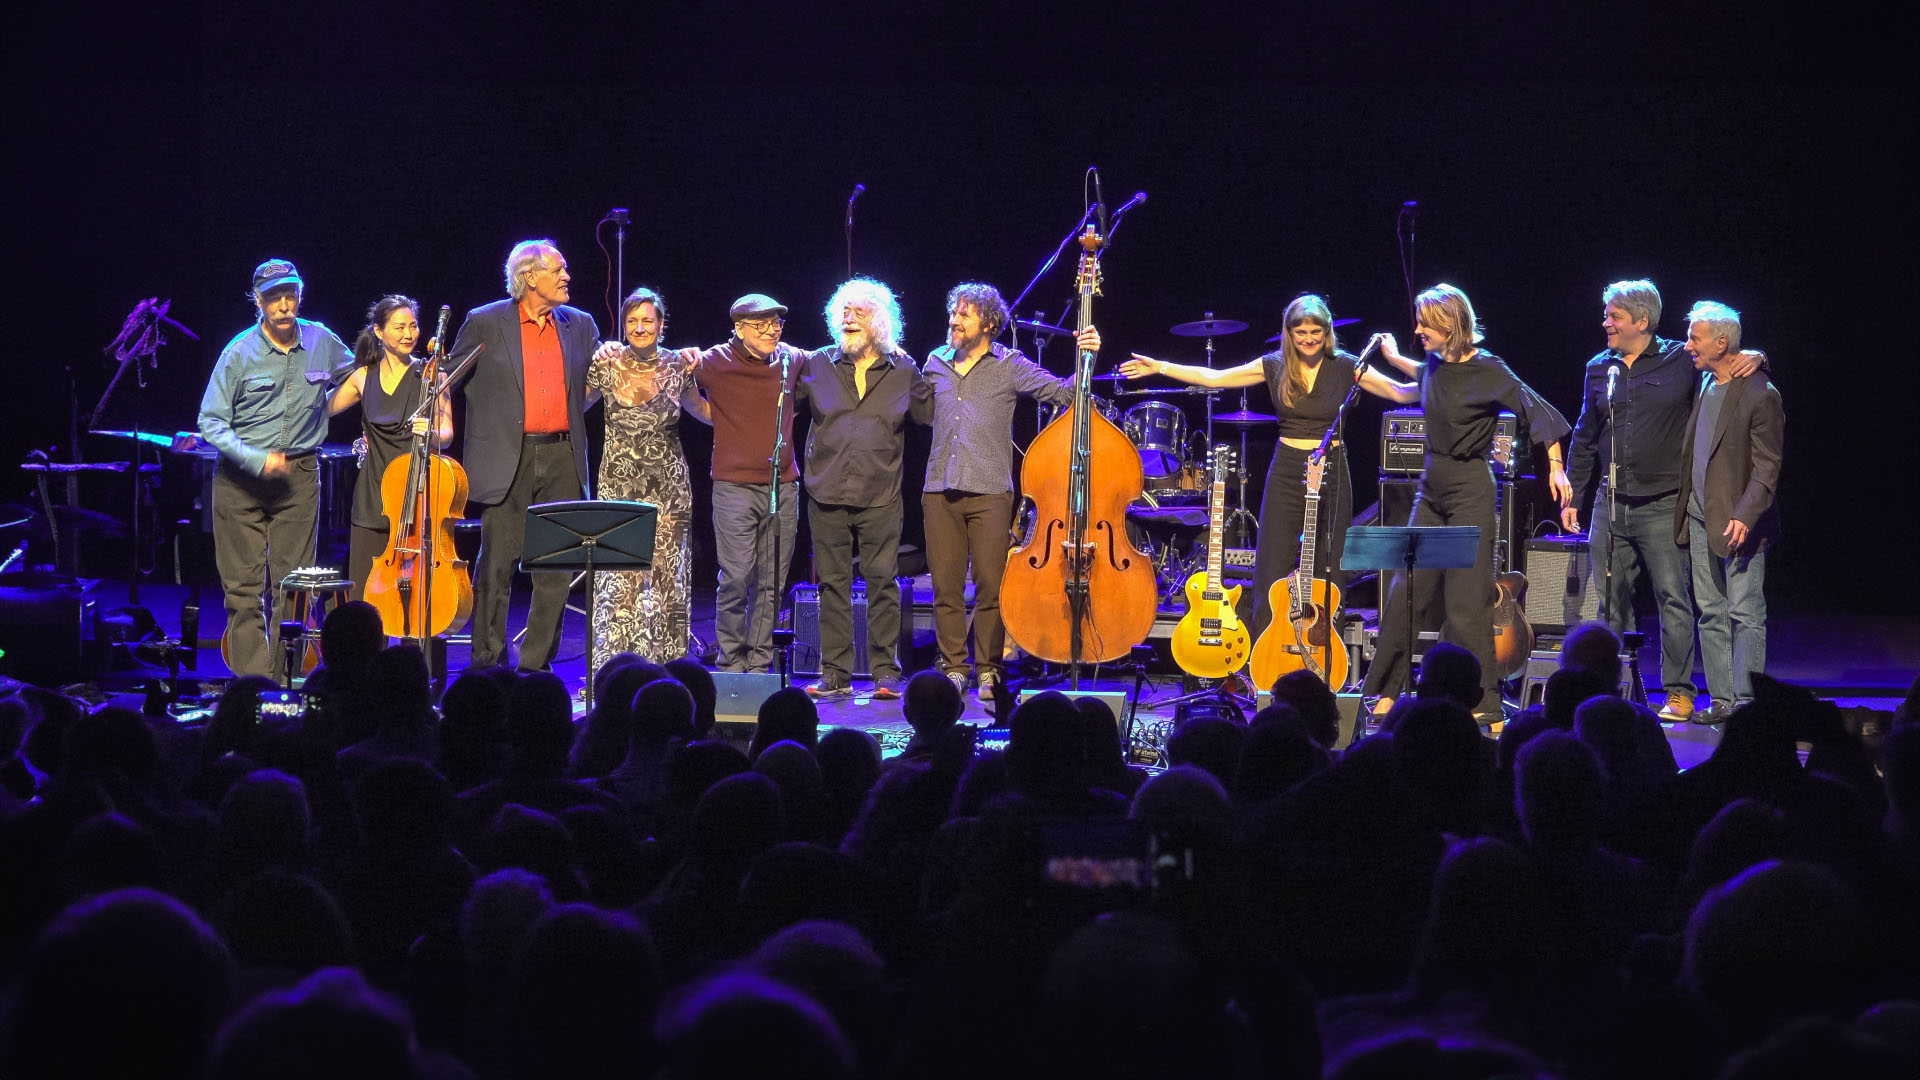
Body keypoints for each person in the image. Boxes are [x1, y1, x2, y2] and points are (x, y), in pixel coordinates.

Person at [1122, 293, 1417, 640]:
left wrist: (1440, 376)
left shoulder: (1346, 365)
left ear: (1327, 332)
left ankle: (1326, 651)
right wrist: (1161, 367)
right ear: (1288, 333)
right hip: (1288, 467)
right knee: (1271, 564)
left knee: (1331, 561)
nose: (1308, 339)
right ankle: (1266, 656)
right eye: (1300, 332)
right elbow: (1216, 377)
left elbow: (1399, 392)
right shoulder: (1274, 364)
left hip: (1333, 469)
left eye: (1316, 332)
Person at [1360, 284, 1572, 724]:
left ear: (1451, 325)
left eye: (1425, 324)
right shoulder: (1436, 364)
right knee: (1406, 592)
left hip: (1470, 489)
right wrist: (1392, 356)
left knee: (1465, 603)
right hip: (1430, 489)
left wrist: (1554, 466)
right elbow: (1420, 376)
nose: (1418, 329)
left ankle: (1484, 702)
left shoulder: (1490, 370)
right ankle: (1387, 691)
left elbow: (1537, 411)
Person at [1560, 280, 1762, 721]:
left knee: (1674, 598)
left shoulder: (1680, 359)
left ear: (1641, 321)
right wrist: (1574, 493)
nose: (1605, 323)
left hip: (1663, 502)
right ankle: (1605, 691)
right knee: (1609, 600)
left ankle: (1679, 692)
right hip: (1609, 503)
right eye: (1607, 315)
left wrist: (1758, 356)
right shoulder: (1600, 366)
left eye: (1613, 316)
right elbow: (1585, 434)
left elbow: (1725, 366)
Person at [921, 282, 1092, 701]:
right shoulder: (934, 363)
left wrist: (1087, 353)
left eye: (964, 314)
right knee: (945, 588)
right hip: (939, 489)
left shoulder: (1010, 364)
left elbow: (1066, 393)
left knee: (991, 587)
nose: (953, 320)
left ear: (990, 323)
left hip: (990, 492)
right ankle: (954, 668)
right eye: (953, 312)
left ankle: (988, 671)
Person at [448, 240, 600, 673]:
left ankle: (535, 668)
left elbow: (600, 380)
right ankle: (488, 663)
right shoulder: (485, 322)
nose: (568, 276)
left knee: (555, 569)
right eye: (560, 268)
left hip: (562, 458)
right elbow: (447, 382)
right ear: (531, 276)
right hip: (506, 460)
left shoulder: (581, 325)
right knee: (496, 565)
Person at [197, 259, 354, 679]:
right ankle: (253, 685)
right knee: (244, 590)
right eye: (273, 297)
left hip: (299, 478)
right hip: (239, 481)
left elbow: (360, 374)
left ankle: (287, 680)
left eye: (290, 295)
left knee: (295, 586)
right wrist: (255, 457)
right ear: (258, 301)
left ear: (300, 296)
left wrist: (325, 410)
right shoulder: (238, 352)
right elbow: (209, 421)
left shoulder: (321, 340)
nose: (284, 305)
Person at [795, 278, 932, 701]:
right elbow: (778, 402)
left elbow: (932, 414)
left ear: (880, 321)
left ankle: (885, 673)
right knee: (831, 585)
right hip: (825, 490)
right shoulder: (816, 363)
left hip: (881, 492)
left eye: (858, 311)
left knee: (882, 583)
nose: (848, 318)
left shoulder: (902, 369)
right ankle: (834, 672)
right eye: (844, 311)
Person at [678, 295, 805, 673]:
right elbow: (679, 374)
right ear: (739, 328)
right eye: (762, 325)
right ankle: (731, 660)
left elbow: (834, 358)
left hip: (782, 487)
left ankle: (760, 660)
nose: (772, 331)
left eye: (777, 324)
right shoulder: (714, 361)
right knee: (735, 577)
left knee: (771, 582)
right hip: (733, 487)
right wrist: (711, 414)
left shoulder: (791, 359)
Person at [587, 288, 708, 665]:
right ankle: (615, 665)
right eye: (632, 321)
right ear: (623, 325)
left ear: (661, 324)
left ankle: (664, 664)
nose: (640, 328)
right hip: (618, 485)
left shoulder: (678, 366)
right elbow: (573, 405)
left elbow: (704, 412)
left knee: (665, 577)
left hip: (669, 489)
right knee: (618, 577)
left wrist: (751, 413)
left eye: (647, 321)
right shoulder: (606, 364)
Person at [1674, 301, 1782, 724]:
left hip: (1741, 523)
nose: (1687, 347)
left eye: (1694, 339)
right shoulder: (1707, 382)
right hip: (1701, 515)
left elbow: (1768, 467)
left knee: (1745, 613)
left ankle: (1748, 706)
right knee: (1712, 612)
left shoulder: (1760, 393)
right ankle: (1721, 701)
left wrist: (1745, 515)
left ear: (1722, 343)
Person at [326, 294, 455, 604]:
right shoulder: (362, 377)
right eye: (399, 327)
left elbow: (448, 434)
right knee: (364, 595)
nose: (408, 334)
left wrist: (432, 433)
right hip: (373, 496)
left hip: (417, 498)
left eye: (413, 326)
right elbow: (322, 409)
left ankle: (413, 652)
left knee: (416, 599)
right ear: (379, 332)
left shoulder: (432, 376)